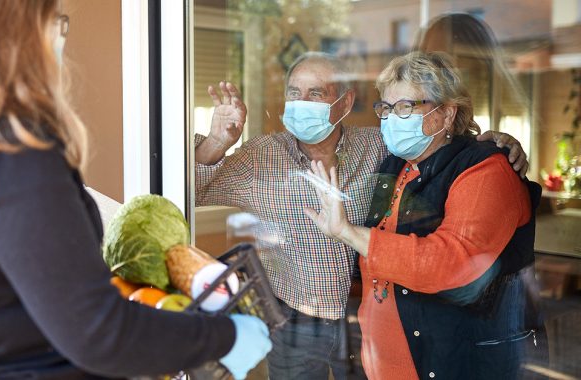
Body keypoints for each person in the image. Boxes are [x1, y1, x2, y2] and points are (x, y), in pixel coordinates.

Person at [0, 1, 271, 379]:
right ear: (13, 29)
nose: (59, 39)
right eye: (55, 22)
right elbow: (98, 334)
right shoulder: (9, 154)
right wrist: (224, 337)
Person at [194, 52, 528, 379]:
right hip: (296, 320)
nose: (301, 102)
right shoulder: (259, 156)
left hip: (361, 319)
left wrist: (498, 142)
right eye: (294, 93)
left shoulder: (381, 147)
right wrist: (215, 143)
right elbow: (188, 190)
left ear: (344, 102)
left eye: (316, 93)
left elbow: (442, 146)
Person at [304, 51, 542, 379]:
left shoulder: (487, 170)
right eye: (386, 108)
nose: (390, 118)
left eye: (405, 107)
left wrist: (346, 231)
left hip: (455, 363)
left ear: (446, 113)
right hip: (385, 363)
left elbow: (450, 264)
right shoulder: (396, 165)